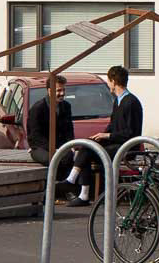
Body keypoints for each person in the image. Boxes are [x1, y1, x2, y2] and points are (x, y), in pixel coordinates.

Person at [61, 66, 142, 207]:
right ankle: (77, 186)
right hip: (116, 142)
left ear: (113, 81)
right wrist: (100, 136)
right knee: (88, 145)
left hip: (126, 148)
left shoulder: (131, 102)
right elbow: (113, 125)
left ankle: (76, 186)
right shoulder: (117, 101)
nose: (109, 84)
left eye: (109, 81)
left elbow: (130, 133)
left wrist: (108, 135)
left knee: (89, 152)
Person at [26, 75, 75, 173]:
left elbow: (69, 129)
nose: (62, 93)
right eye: (59, 90)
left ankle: (64, 181)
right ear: (49, 91)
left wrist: (70, 145)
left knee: (69, 157)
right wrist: (52, 149)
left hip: (59, 146)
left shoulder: (66, 106)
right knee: (52, 159)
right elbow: (35, 135)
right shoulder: (37, 109)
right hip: (41, 147)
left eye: (63, 90)